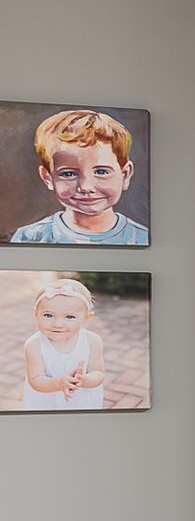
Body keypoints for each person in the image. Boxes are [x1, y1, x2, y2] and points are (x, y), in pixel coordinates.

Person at [10, 110, 149, 245]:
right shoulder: (30, 237)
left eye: (101, 172)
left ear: (125, 175)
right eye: (68, 174)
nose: (86, 187)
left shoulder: (141, 238)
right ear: (48, 178)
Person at [20, 278, 107, 410]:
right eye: (48, 315)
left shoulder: (93, 341)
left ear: (86, 318)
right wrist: (59, 383)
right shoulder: (34, 345)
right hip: (46, 402)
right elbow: (36, 380)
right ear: (36, 314)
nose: (57, 324)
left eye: (69, 317)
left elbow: (98, 372)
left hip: (81, 401)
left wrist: (85, 380)